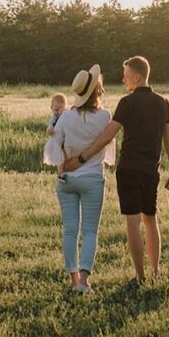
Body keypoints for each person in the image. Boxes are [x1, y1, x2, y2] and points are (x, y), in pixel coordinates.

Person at [62, 55, 169, 284]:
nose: (123, 80)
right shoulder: (163, 103)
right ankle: (155, 272)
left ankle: (140, 276)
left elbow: (107, 136)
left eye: (126, 76)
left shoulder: (127, 103)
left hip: (129, 169)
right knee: (151, 220)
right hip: (150, 170)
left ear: (136, 76)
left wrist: (82, 157)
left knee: (133, 222)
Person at [52, 65, 115, 293]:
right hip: (92, 179)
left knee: (70, 231)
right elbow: (107, 146)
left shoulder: (66, 117)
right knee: (90, 231)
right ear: (98, 91)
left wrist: (62, 168)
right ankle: (84, 282)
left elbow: (55, 146)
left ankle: (73, 281)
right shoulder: (106, 116)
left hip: (66, 179)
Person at [42, 92, 68, 169]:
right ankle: (60, 174)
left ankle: (67, 172)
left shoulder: (66, 117)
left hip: (66, 141)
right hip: (57, 142)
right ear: (51, 108)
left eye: (62, 110)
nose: (59, 112)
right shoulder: (53, 119)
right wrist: (50, 130)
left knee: (67, 159)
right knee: (59, 160)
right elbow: (49, 128)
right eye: (56, 110)